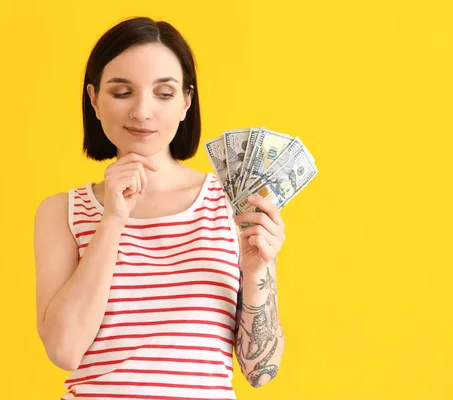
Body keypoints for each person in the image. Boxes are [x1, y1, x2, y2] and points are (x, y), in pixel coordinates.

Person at [33, 16, 287, 399]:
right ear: (94, 100)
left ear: (187, 101)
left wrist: (256, 273)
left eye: (163, 93)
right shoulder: (61, 212)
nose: (142, 111)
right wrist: (113, 219)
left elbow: (260, 371)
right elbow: (65, 350)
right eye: (122, 92)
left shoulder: (235, 203)